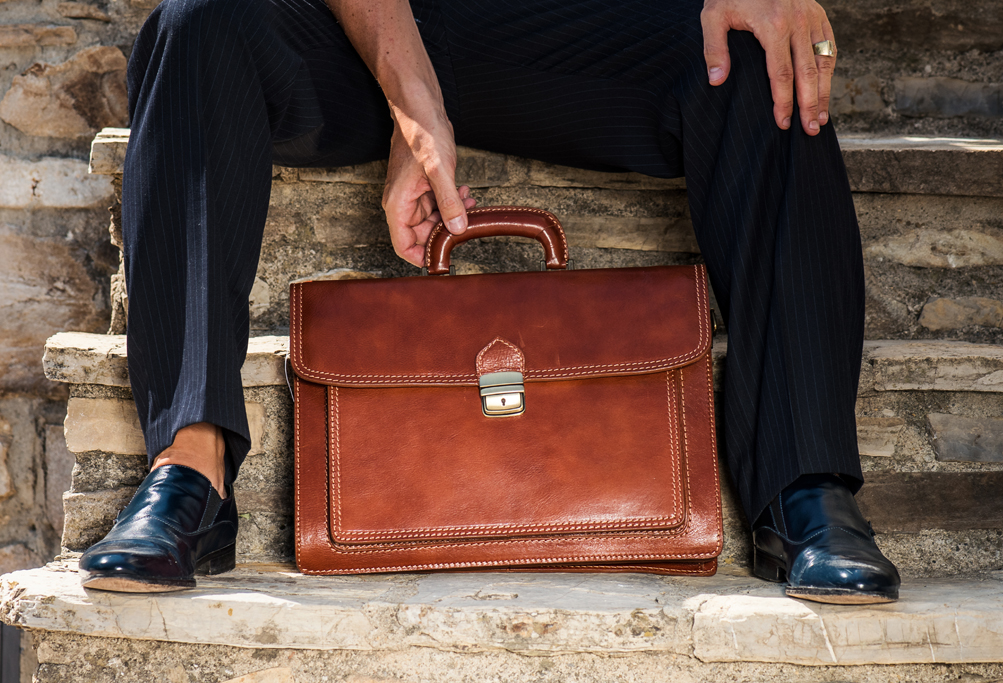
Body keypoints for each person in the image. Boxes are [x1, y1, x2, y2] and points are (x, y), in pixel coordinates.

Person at [77, 0, 900, 603]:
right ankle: (191, 465)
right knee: (196, 24)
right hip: (367, 29)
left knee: (761, 53)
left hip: (573, 29)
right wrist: (414, 102)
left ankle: (804, 483)